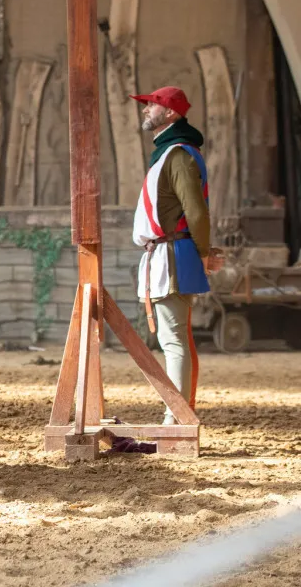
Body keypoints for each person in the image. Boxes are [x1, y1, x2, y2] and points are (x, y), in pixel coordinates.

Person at [130, 86, 212, 425]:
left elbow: (195, 211)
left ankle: (176, 417)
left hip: (172, 255)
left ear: (172, 113)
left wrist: (203, 253)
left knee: (174, 339)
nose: (147, 110)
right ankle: (178, 413)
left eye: (153, 105)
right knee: (175, 338)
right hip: (165, 253)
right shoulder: (169, 153)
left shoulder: (178, 154)